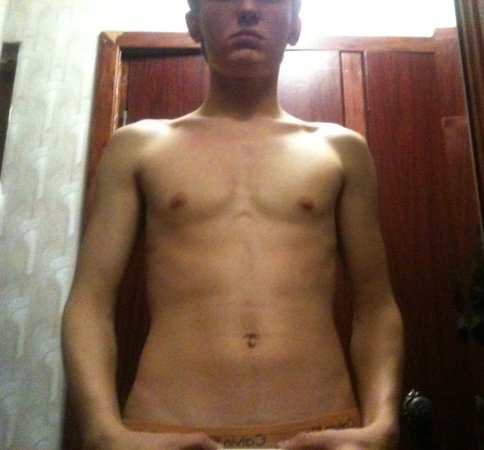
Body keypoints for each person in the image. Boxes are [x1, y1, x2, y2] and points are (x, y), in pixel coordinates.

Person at [61, 0, 405, 448]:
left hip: (321, 432)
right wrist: (101, 431)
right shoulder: (139, 147)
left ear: (295, 27)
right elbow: (90, 302)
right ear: (194, 25)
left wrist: (382, 424)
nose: (246, 8)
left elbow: (376, 305)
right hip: (170, 432)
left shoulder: (341, 150)